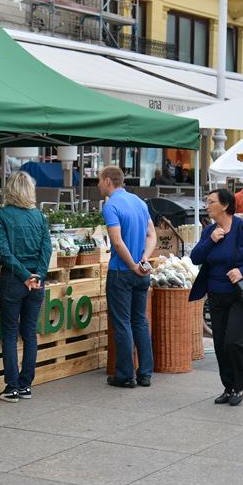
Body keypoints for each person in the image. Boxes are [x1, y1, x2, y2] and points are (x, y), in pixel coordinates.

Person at [190, 189, 243, 406]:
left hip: (242, 295)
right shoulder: (210, 231)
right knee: (220, 344)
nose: (207, 205)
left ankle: (239, 385)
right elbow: (196, 257)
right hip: (216, 295)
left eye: (211, 201)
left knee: (234, 342)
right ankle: (228, 386)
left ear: (224, 205)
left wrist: (242, 271)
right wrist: (210, 241)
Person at [0, 171, 52, 403]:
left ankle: (12, 387)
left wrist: (24, 275)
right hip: (36, 281)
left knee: (9, 332)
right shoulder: (38, 216)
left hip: (13, 280)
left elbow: (4, 252)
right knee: (29, 332)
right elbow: (46, 249)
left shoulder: (3, 215)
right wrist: (37, 276)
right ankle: (26, 385)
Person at [99, 166, 156, 389]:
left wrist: (132, 265)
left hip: (121, 272)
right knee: (140, 321)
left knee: (122, 324)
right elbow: (152, 234)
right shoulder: (139, 202)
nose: (98, 185)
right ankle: (145, 373)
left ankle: (125, 375)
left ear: (107, 181)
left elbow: (117, 241)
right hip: (141, 273)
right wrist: (143, 260)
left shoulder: (111, 205)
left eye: (99, 181)